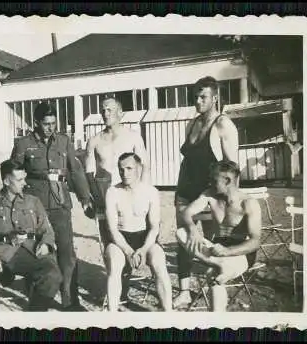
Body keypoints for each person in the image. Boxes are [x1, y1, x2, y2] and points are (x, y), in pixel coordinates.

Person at [10, 102, 92, 312]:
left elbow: (75, 171)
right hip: (33, 207)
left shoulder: (64, 142)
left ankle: (70, 301)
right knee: (36, 252)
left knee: (66, 253)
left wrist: (84, 197)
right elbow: (13, 174)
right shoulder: (23, 144)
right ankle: (37, 299)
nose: (50, 128)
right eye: (46, 124)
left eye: (54, 123)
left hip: (60, 204)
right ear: (36, 123)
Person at [174, 76, 240, 308]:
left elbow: (232, 169)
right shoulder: (191, 124)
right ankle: (184, 291)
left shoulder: (223, 125)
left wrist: (230, 203)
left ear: (215, 98)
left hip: (209, 195)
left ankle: (214, 286)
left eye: (203, 97)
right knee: (183, 238)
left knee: (212, 242)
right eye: (195, 97)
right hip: (184, 190)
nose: (198, 101)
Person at [0, 160, 62, 312]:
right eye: (19, 179)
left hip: (30, 252)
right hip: (0, 254)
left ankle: (35, 316)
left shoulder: (33, 202)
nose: (25, 183)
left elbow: (47, 230)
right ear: (6, 181)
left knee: (53, 275)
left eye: (25, 178)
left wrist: (45, 244)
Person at [176, 160, 262, 311]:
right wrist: (193, 229)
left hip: (240, 252)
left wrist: (227, 251)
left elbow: (255, 242)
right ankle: (221, 265)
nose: (209, 182)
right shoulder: (209, 194)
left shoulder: (248, 203)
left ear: (227, 180)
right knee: (181, 232)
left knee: (213, 276)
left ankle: (216, 319)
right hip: (216, 249)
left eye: (213, 179)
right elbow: (186, 213)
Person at [104, 152, 172, 312]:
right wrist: (128, 251)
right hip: (120, 239)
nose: (125, 173)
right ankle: (111, 316)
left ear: (139, 169)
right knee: (114, 266)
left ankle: (169, 313)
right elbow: (112, 228)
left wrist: (143, 249)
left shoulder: (151, 192)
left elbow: (154, 226)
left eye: (129, 168)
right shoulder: (112, 192)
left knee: (159, 262)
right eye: (121, 169)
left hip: (144, 238)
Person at [85, 96, 150, 247]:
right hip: (105, 198)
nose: (105, 114)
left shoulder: (133, 137)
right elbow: (89, 173)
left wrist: (145, 195)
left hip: (129, 197)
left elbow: (145, 168)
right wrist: (92, 198)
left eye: (109, 110)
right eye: (103, 110)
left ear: (120, 113)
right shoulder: (94, 141)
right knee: (108, 244)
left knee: (132, 240)